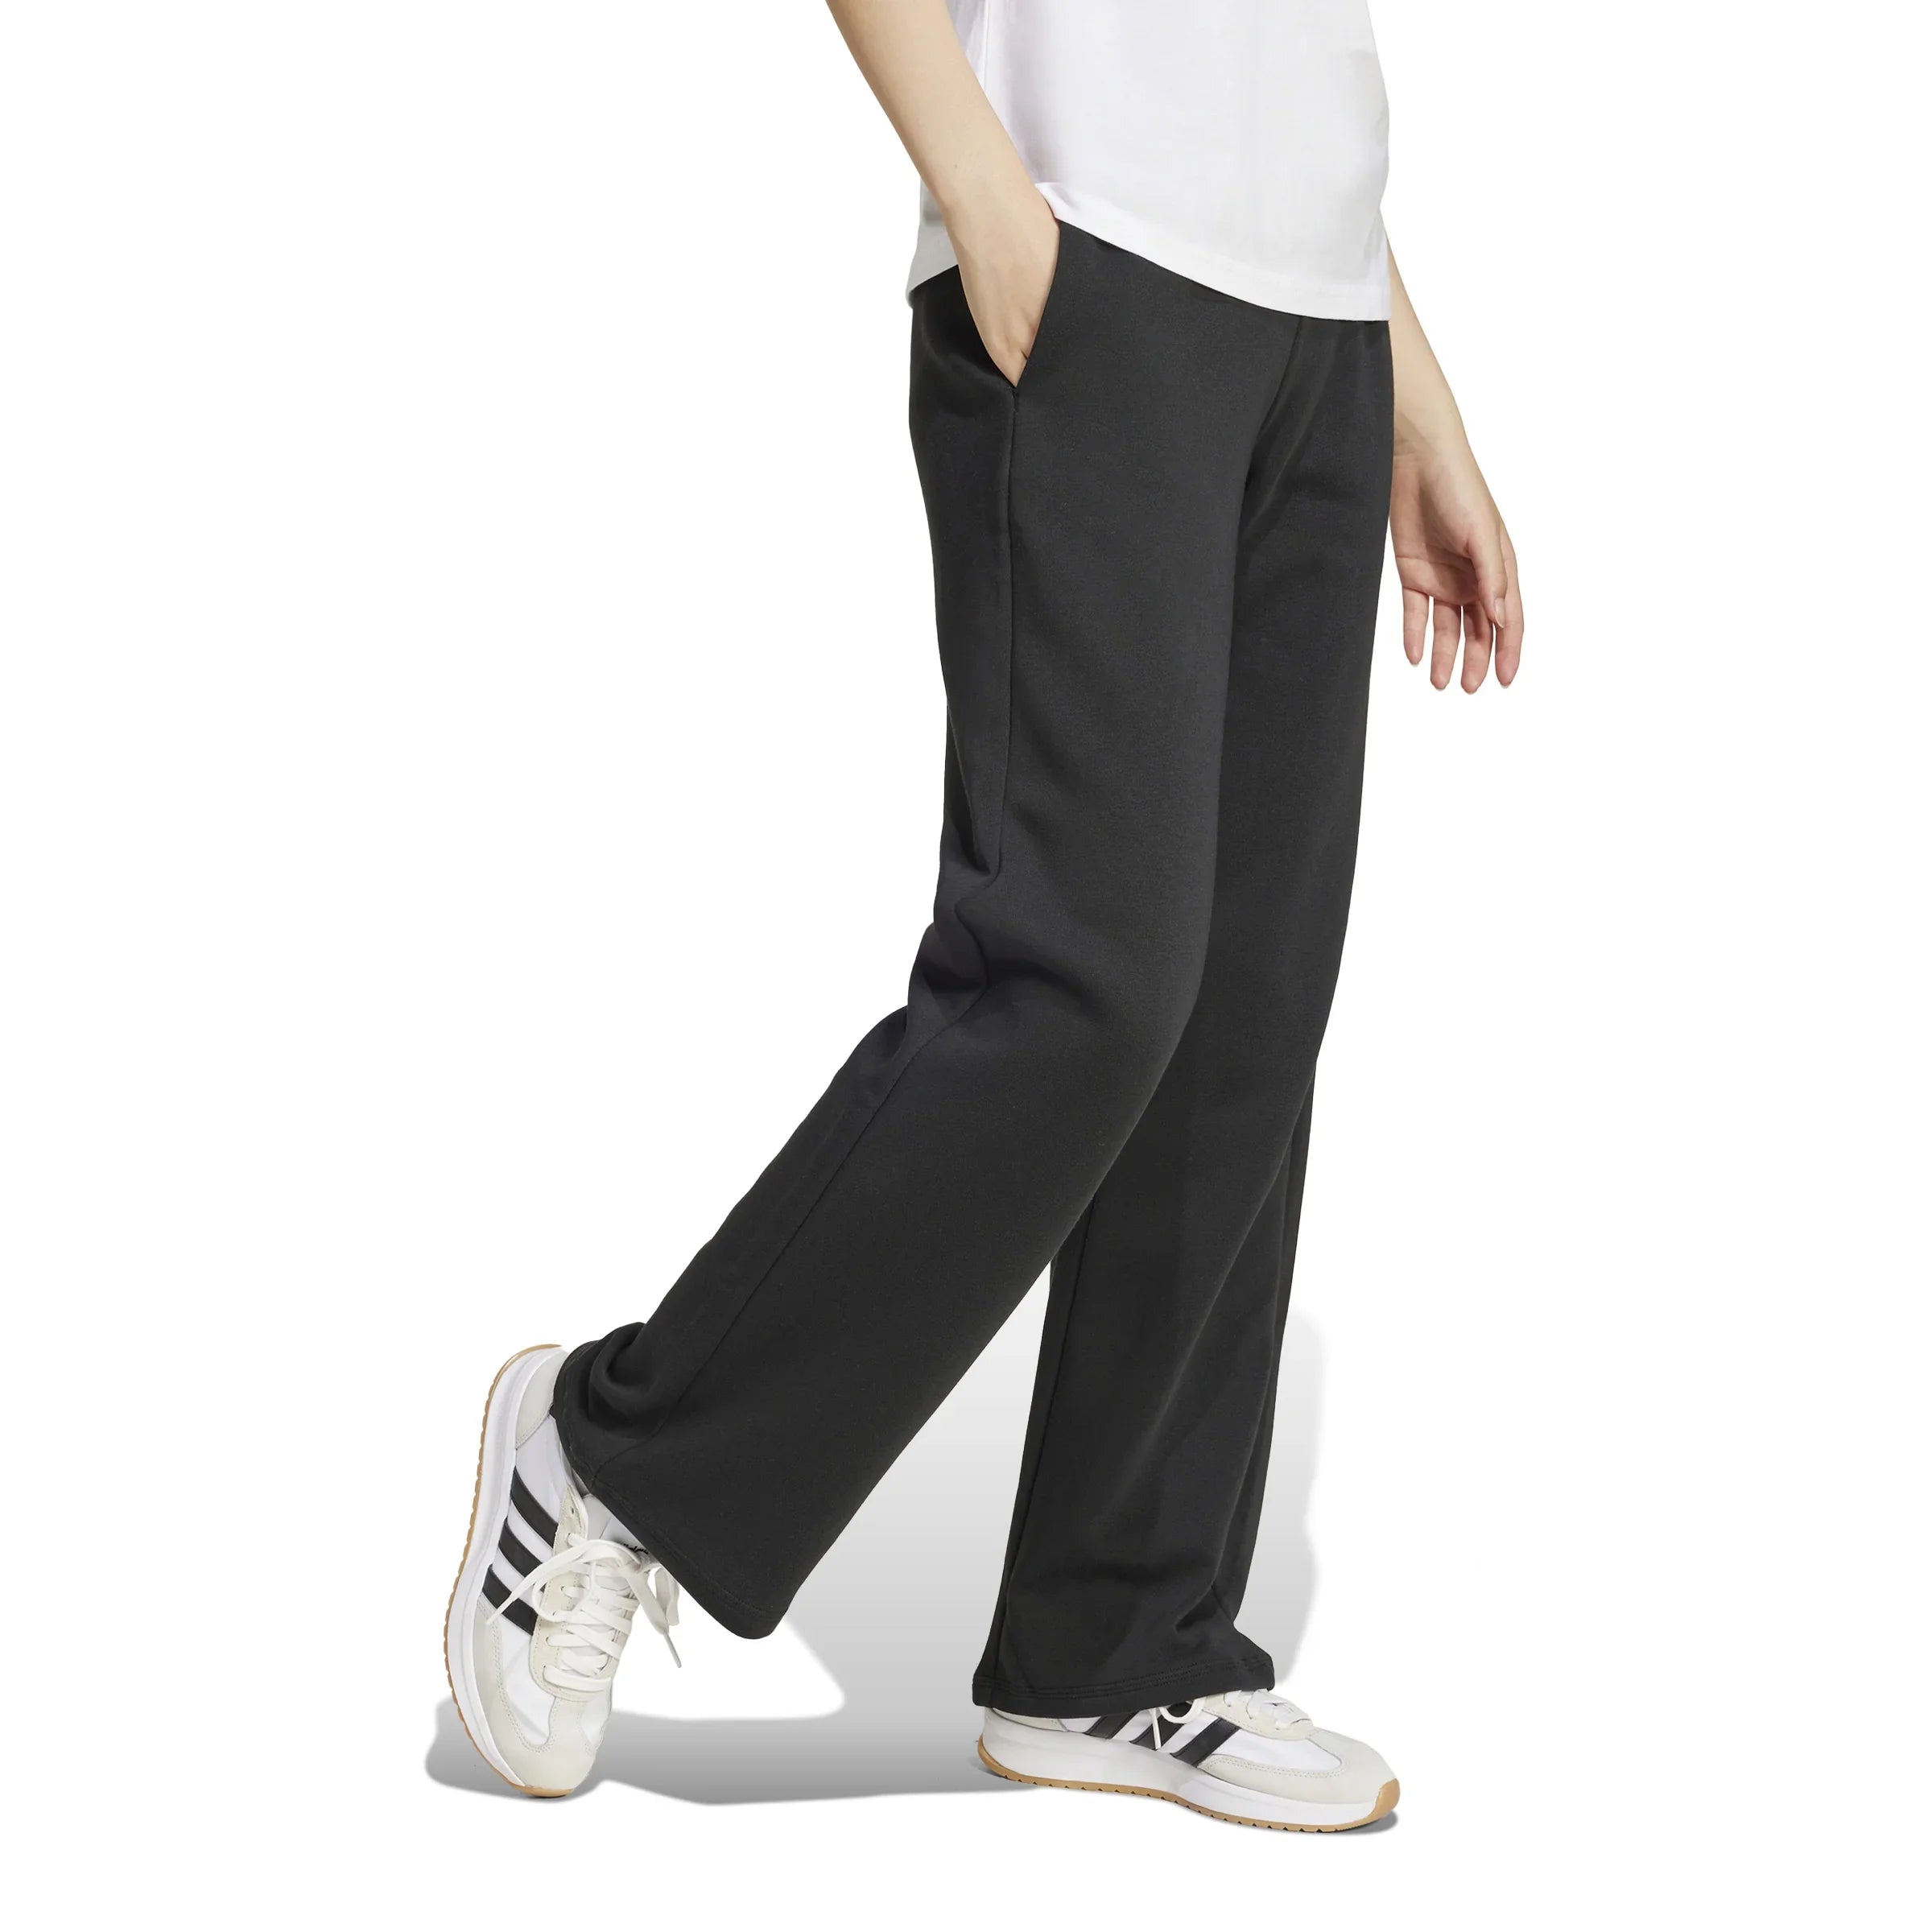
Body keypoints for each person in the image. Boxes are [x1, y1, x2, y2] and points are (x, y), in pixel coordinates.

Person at [443, 0, 1520, 1831]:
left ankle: (1121, 1641)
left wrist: (1409, 383)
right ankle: (607, 1457)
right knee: (1080, 982)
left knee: (1242, 1009)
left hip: (1318, 328)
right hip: (1087, 256)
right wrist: (987, 197)